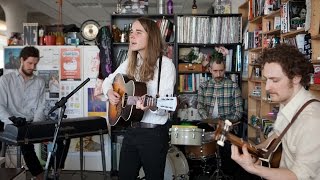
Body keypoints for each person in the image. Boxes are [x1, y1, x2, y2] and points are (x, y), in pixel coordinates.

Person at [231, 44, 320, 179]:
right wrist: (255, 152)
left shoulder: (312, 121)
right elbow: (277, 135)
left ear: (296, 77)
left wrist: (254, 168)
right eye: (266, 79)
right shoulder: (287, 102)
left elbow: (299, 176)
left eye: (275, 80)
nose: (267, 87)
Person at [102, 17, 176, 180]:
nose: (132, 36)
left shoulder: (166, 65)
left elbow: (164, 105)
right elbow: (108, 80)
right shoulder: (130, 62)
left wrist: (152, 105)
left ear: (151, 37)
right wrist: (109, 92)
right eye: (131, 32)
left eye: (138, 32)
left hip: (154, 134)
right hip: (131, 130)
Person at [0, 46, 70, 180]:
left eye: (35, 64)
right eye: (30, 63)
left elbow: (41, 107)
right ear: (22, 60)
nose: (32, 67)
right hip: (12, 124)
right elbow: (0, 106)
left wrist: (37, 127)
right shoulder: (5, 80)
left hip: (32, 122)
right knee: (27, 143)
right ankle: (40, 177)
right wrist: (12, 120)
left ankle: (55, 173)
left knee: (63, 134)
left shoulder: (39, 82)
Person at [197, 50, 243, 122]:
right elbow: (200, 107)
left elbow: (239, 111)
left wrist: (227, 122)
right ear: (210, 70)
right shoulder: (203, 86)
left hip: (227, 127)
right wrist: (208, 120)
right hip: (208, 125)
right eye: (215, 71)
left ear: (224, 70)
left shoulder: (234, 86)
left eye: (221, 71)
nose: (218, 74)